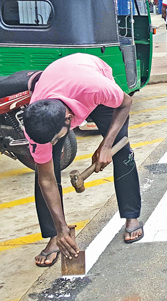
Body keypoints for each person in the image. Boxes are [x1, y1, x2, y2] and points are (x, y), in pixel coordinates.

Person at [23, 53, 141, 267]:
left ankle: (131, 215)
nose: (50, 145)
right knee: (44, 172)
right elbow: (47, 180)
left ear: (69, 119)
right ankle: (56, 236)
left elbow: (126, 103)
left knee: (121, 151)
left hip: (90, 79)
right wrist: (62, 228)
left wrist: (106, 145)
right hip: (58, 85)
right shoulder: (36, 122)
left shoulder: (96, 87)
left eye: (54, 140)